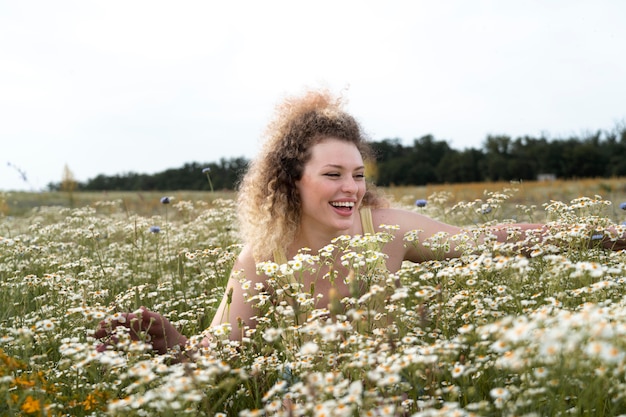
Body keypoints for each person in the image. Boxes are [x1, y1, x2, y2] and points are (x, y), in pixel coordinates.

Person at [95, 88, 626, 356]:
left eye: (356, 173)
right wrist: (165, 339)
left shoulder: (388, 230)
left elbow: (490, 240)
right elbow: (218, 352)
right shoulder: (264, 260)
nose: (351, 187)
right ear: (290, 181)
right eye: (332, 174)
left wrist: (601, 234)